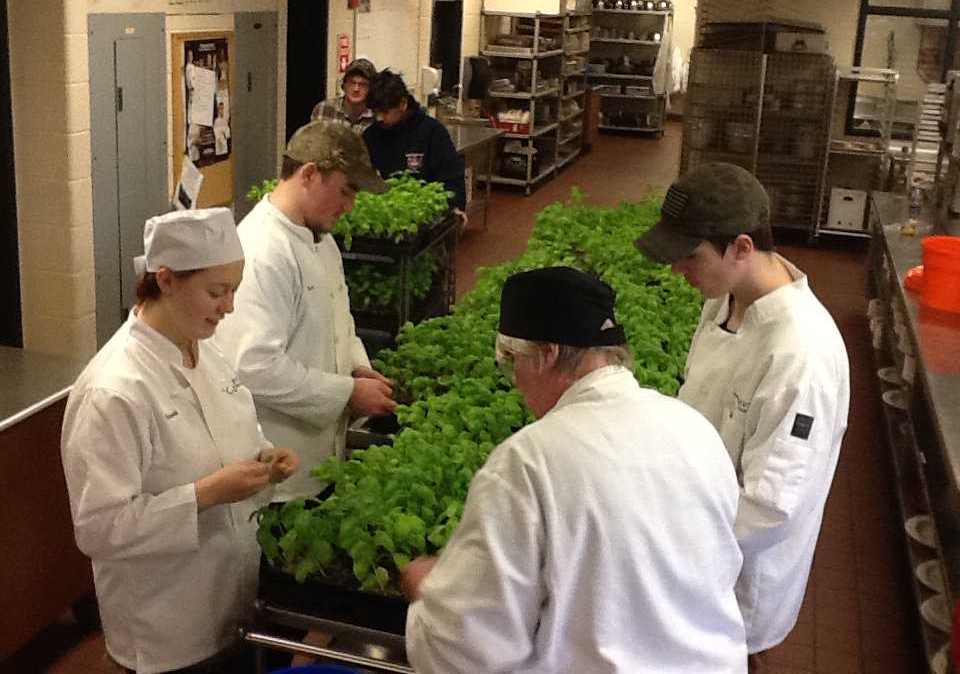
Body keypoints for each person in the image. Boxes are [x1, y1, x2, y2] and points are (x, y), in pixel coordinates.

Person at [402, 266, 748, 674]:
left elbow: (468, 649)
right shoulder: (694, 429)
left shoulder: (530, 462)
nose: (513, 380)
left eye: (511, 359)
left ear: (546, 353)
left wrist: (433, 596)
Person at [61, 208, 300, 674]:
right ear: (166, 280)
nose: (229, 306)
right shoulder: (114, 391)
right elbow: (98, 529)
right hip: (165, 632)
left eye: (234, 289)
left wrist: (264, 454)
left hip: (233, 599)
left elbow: (233, 430)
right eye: (217, 291)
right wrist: (206, 495)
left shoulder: (206, 350)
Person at [634, 162, 851, 674]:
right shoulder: (726, 301)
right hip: (690, 536)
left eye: (689, 256)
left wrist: (663, 545)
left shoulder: (801, 356)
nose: (676, 270)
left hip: (733, 573)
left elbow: (770, 507)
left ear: (743, 246)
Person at [214, 120, 397, 502]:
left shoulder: (319, 238)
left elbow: (340, 319)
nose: (350, 206)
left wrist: (357, 366)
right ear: (309, 174)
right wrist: (348, 393)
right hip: (282, 474)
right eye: (345, 191)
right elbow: (253, 366)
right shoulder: (263, 251)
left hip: (321, 457)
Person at [362, 69, 468, 228]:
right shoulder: (370, 137)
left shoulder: (433, 133)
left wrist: (455, 208)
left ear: (403, 104)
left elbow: (452, 181)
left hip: (426, 223)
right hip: (381, 222)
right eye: (375, 112)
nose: (379, 118)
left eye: (384, 112)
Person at [310, 58, 377, 133]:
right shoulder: (324, 109)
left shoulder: (377, 116)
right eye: (352, 83)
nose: (356, 89)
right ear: (343, 84)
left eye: (363, 84)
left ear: (372, 88)